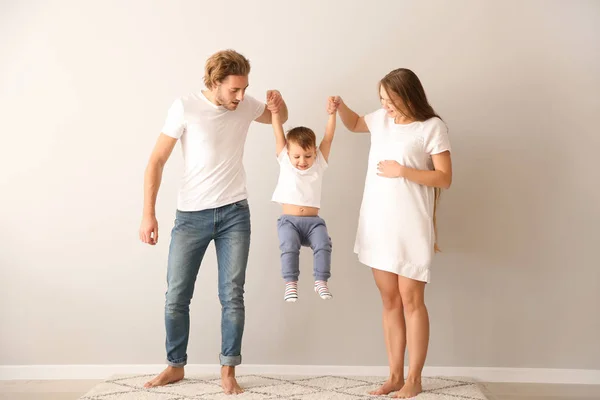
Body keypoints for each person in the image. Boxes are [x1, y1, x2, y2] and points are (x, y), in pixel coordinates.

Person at [138, 49, 288, 395]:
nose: (241, 96)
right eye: (234, 89)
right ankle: (175, 365)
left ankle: (228, 371)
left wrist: (279, 104)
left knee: (232, 295)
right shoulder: (186, 107)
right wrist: (149, 213)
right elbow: (156, 161)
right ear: (215, 82)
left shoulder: (246, 104)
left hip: (235, 213)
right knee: (176, 295)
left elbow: (277, 115)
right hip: (190, 216)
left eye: (244, 88)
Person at [331, 68, 452, 398]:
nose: (386, 106)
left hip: (411, 225)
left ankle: (415, 378)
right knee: (389, 300)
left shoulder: (432, 127)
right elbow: (356, 123)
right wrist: (340, 107)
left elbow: (444, 178)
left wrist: (404, 172)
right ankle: (395, 376)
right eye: (382, 100)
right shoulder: (381, 120)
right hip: (378, 222)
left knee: (413, 300)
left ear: (409, 96)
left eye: (392, 100)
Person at [270, 96, 337, 302]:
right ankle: (291, 284)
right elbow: (278, 132)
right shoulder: (285, 161)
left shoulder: (318, 163)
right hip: (289, 221)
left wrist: (332, 114)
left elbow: (328, 137)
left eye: (308, 156)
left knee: (323, 244)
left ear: (314, 153)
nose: (302, 161)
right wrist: (274, 111)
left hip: (313, 222)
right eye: (297, 156)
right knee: (289, 246)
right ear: (288, 153)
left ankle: (321, 281)